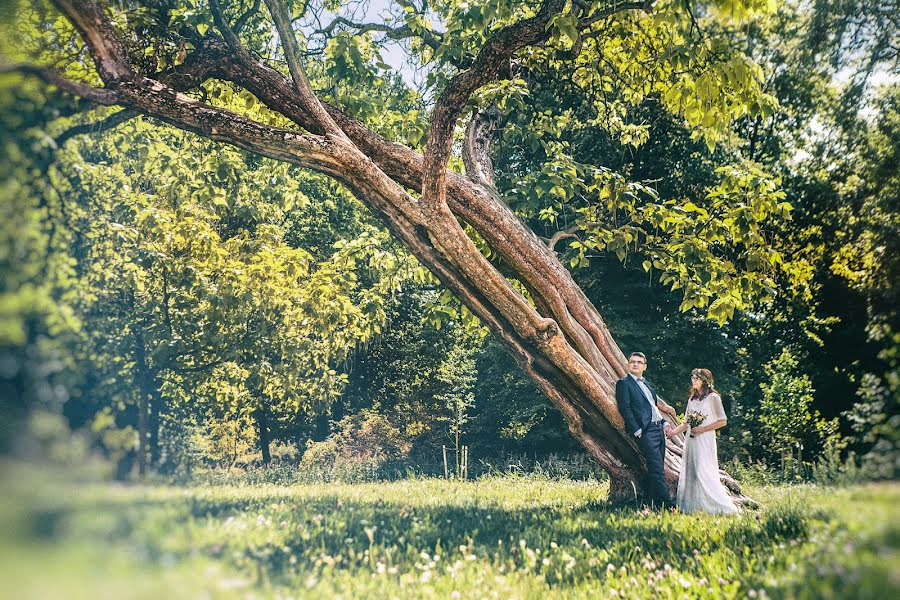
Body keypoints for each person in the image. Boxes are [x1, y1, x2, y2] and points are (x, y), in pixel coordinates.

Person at [666, 368, 739, 514]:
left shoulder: (713, 398)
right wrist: (672, 432)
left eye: (696, 378)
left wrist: (703, 429)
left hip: (705, 439)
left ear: (704, 381)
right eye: (692, 377)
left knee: (703, 470)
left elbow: (722, 421)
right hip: (691, 440)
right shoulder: (691, 399)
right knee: (692, 470)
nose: (693, 380)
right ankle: (694, 506)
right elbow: (686, 422)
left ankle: (717, 505)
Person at [616, 352, 678, 508]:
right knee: (657, 469)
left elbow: (653, 408)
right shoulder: (624, 384)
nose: (635, 364)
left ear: (644, 366)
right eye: (632, 362)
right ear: (628, 364)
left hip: (659, 430)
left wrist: (664, 424)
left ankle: (650, 503)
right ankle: (669, 506)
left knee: (656, 468)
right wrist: (637, 430)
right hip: (646, 431)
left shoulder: (648, 385)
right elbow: (626, 409)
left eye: (639, 362)